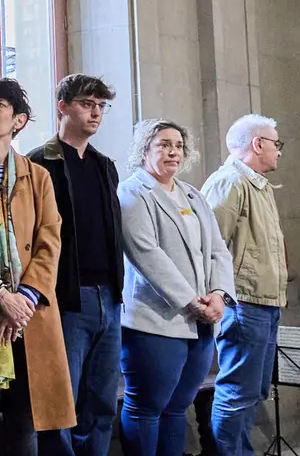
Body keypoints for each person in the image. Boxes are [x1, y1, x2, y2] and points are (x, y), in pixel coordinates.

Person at [0, 78, 75, 456]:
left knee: (26, 423)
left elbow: (50, 240)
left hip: (29, 315)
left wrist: (24, 299)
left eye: (1, 106)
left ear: (18, 120)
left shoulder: (38, 176)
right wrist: (0, 293)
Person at [117, 119, 237, 456]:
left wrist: (219, 296)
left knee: (176, 407)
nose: (173, 151)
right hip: (155, 321)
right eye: (163, 144)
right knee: (147, 407)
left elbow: (217, 249)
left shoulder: (192, 194)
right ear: (143, 151)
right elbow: (145, 253)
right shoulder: (132, 192)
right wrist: (190, 301)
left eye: (178, 145)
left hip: (201, 321)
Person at [29, 74, 124, 456]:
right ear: (63, 106)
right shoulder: (39, 162)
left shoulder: (105, 165)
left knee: (101, 402)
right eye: (88, 104)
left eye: (102, 106)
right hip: (66, 295)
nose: (96, 112)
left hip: (110, 297)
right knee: (60, 402)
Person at [202, 114, 288, 456]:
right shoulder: (229, 182)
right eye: (275, 144)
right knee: (237, 392)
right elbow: (209, 246)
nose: (278, 152)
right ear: (257, 144)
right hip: (243, 304)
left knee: (253, 392)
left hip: (266, 302)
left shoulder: (258, 185)